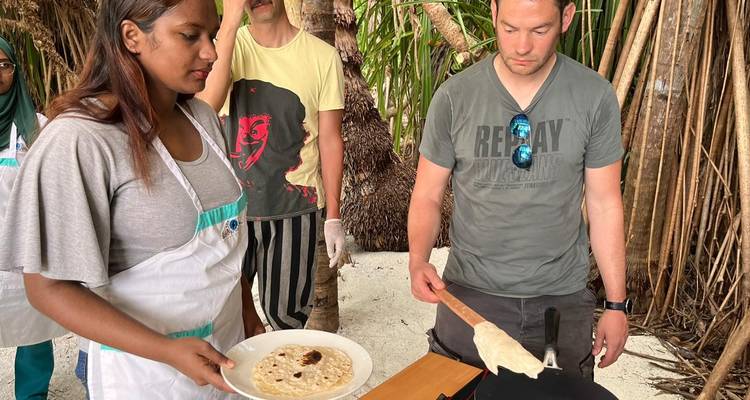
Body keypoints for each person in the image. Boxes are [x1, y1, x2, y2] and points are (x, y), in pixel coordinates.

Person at [0, 1, 251, 398]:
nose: (211, 52)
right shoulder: (81, 141)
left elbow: (225, 249)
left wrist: (250, 314)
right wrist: (167, 351)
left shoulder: (202, 121)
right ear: (132, 36)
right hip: (146, 377)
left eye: (213, 34)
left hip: (231, 360)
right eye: (190, 36)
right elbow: (47, 288)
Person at [407, 0, 629, 379]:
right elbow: (427, 194)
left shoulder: (594, 96)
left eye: (539, 30)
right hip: (469, 296)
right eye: (509, 29)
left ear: (567, 18)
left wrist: (616, 304)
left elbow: (604, 202)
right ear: (493, 14)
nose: (522, 46)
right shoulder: (454, 97)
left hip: (561, 300)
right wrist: (417, 260)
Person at [197, 0, 345, 333]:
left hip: (295, 212)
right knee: (224, 316)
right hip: (230, 213)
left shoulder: (322, 57)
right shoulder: (225, 45)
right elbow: (205, 106)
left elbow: (331, 139)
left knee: (288, 320)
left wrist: (333, 215)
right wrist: (231, 22)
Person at [0, 35, 65, 400]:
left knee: (34, 330)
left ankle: (32, 395)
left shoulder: (36, 129)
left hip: (25, 254)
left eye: (4, 65)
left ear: (16, 72)